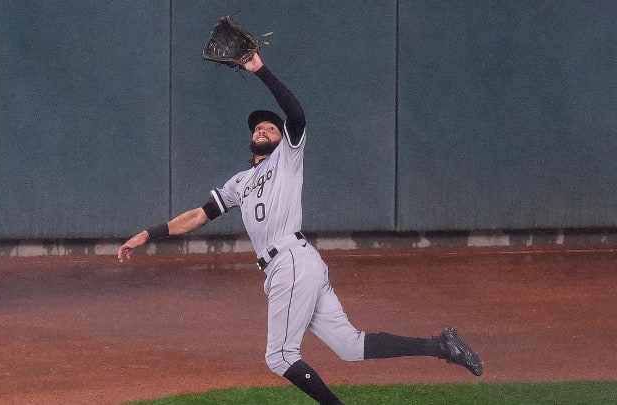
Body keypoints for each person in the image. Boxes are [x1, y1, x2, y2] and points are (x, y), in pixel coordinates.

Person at [118, 53, 483, 405]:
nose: (262, 129)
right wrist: (148, 234)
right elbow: (200, 214)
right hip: (297, 265)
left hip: (290, 262)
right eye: (258, 127)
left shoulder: (288, 159)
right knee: (350, 347)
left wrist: (260, 70)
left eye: (270, 127)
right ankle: (439, 345)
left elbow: (296, 113)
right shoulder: (240, 182)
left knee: (279, 356)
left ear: (281, 139)